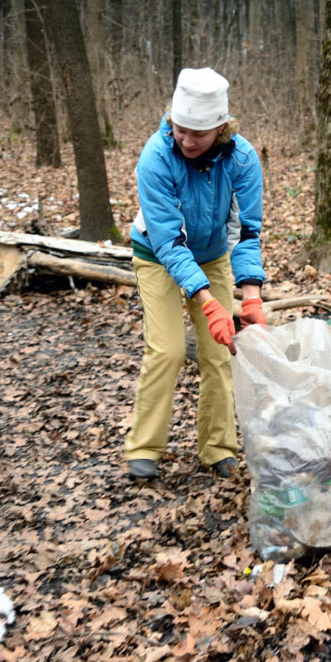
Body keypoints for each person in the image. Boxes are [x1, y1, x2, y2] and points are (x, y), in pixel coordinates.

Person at [125, 67, 268, 481]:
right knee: (167, 349)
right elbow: (170, 242)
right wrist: (208, 304)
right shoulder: (156, 156)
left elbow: (246, 231)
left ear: (221, 128)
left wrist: (251, 296)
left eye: (198, 134)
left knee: (220, 352)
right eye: (180, 129)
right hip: (156, 255)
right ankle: (144, 448)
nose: (187, 140)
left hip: (211, 256)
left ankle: (218, 449)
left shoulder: (242, 158)